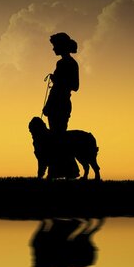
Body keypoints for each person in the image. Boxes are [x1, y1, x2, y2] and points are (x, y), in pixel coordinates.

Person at [42, 32, 80, 179]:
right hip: (59, 103)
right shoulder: (67, 63)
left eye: (54, 46)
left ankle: (62, 172)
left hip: (61, 103)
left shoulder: (67, 63)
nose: (53, 49)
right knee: (58, 138)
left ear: (61, 46)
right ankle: (63, 172)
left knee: (58, 139)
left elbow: (75, 86)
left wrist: (58, 80)